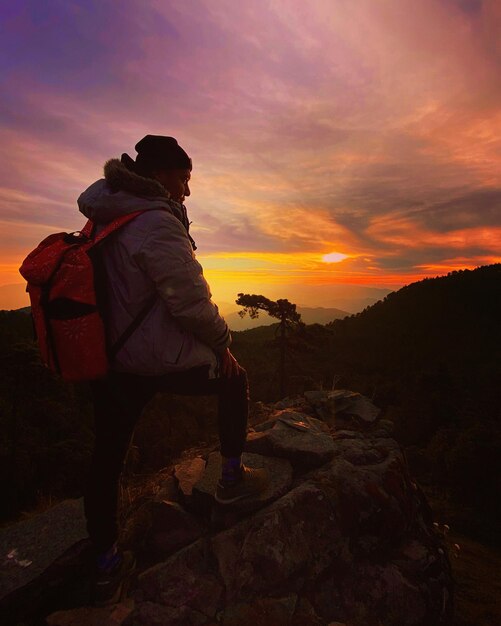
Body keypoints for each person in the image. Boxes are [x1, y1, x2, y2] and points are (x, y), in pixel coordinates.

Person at [78, 135, 269, 605]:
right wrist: (223, 342)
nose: (187, 190)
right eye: (184, 178)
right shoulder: (156, 222)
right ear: (162, 175)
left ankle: (104, 563)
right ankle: (230, 476)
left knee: (106, 456)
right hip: (151, 356)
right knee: (234, 376)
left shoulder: (108, 210)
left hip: (111, 355)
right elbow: (187, 300)